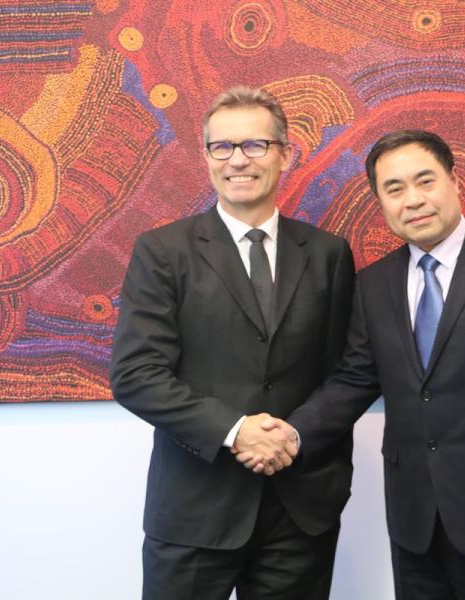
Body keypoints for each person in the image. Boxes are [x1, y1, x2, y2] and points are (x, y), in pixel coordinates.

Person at [244, 129, 465, 599]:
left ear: (454, 182)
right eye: (394, 189)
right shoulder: (375, 283)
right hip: (414, 519)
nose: (413, 200)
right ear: (380, 201)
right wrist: (291, 435)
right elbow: (354, 380)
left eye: (425, 181)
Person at [110, 86, 354, 600]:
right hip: (195, 511)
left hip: (299, 511)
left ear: (285, 154)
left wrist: (292, 436)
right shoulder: (162, 252)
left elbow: (347, 372)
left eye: (254, 145)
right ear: (206, 157)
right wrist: (236, 431)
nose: (237, 160)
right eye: (222, 147)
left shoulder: (330, 254)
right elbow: (136, 375)